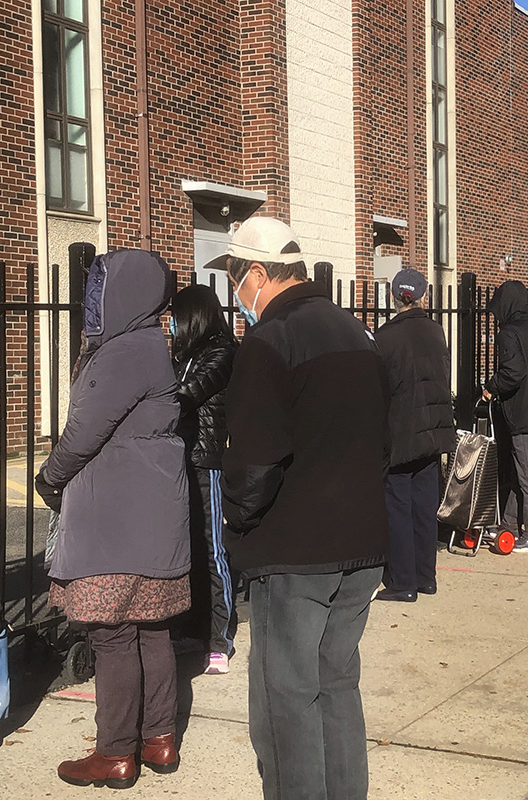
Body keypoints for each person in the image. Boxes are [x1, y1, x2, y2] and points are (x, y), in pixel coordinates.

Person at [219, 217, 388, 800]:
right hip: (361, 542)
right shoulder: (356, 331)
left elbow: (253, 462)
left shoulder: (270, 340)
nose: (235, 296)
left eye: (236, 281)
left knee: (285, 700)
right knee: (337, 686)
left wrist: (236, 522)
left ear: (258, 274)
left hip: (295, 551)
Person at [38, 250, 189, 789]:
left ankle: (115, 752)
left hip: (117, 520)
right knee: (151, 630)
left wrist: (49, 478)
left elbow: (82, 435)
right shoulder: (152, 344)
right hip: (152, 517)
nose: (92, 301)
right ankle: (159, 739)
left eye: (99, 289)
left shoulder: (123, 352)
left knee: (114, 635)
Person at [374, 268, 455, 601]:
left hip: (399, 432)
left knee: (398, 507)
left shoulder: (385, 337)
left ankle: (403, 582)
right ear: (424, 296)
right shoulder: (436, 332)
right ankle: (427, 576)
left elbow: (379, 389)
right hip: (432, 432)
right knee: (424, 505)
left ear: (394, 297)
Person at [171, 284, 239, 675]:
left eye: (177, 316)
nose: (172, 325)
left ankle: (219, 638)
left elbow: (188, 394)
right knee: (187, 547)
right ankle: (193, 628)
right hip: (177, 459)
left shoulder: (221, 352)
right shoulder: (184, 354)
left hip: (206, 460)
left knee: (213, 550)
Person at [483, 280, 528, 552]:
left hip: (524, 411)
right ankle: (510, 525)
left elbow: (513, 372)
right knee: (522, 471)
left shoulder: (509, 333)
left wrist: (491, 388)